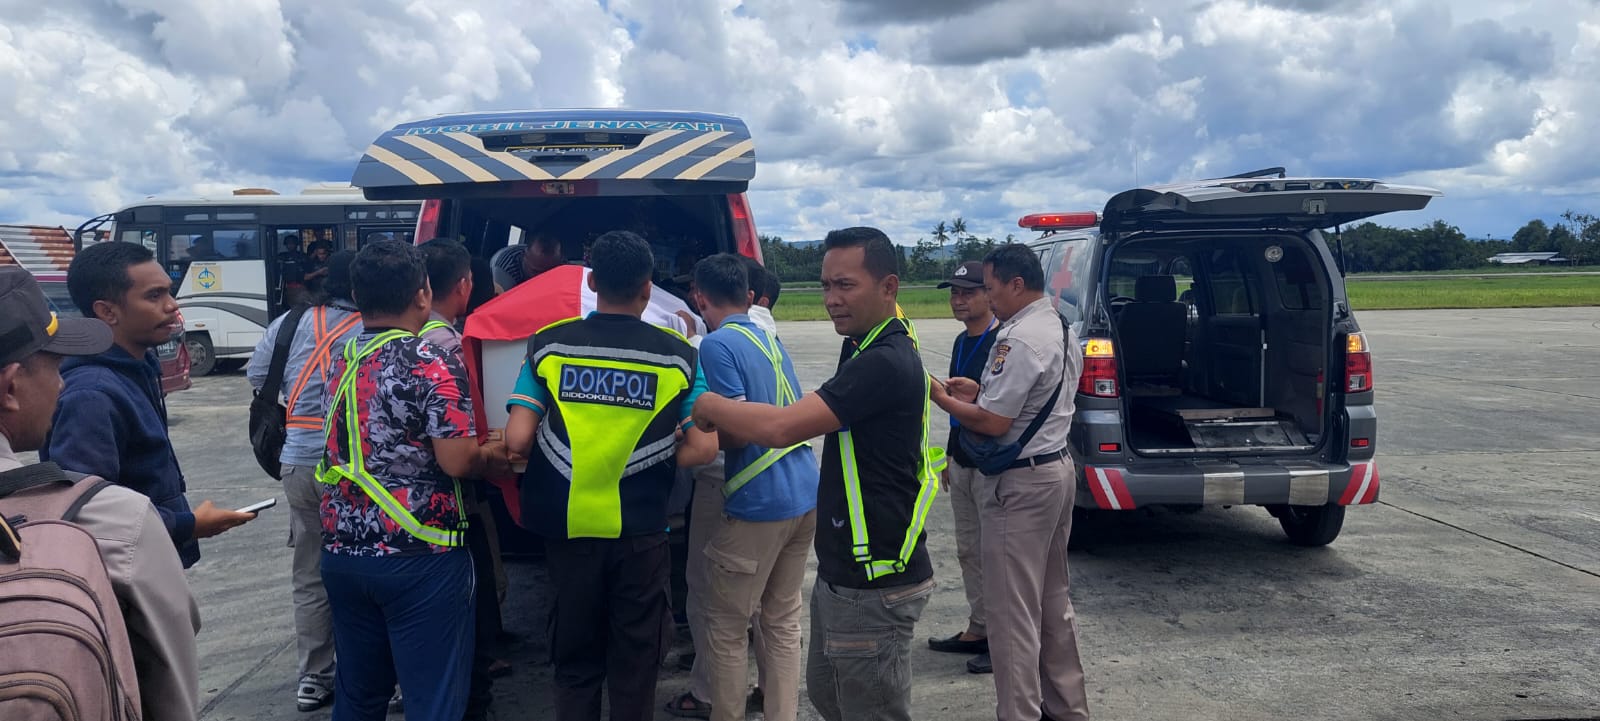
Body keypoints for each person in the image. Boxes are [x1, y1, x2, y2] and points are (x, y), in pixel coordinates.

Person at [693, 227, 941, 721]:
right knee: (831, 698)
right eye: (826, 285)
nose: (831, 299)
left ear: (889, 287)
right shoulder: (867, 343)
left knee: (868, 710)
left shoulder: (881, 361)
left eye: (845, 285)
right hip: (843, 569)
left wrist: (708, 405)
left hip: (874, 576)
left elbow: (782, 427)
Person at [503, 230, 718, 721]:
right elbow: (704, 447)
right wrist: (657, 454)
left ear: (592, 282)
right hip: (641, 531)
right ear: (648, 287)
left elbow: (516, 439)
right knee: (636, 661)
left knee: (575, 660)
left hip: (568, 530)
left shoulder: (549, 343)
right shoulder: (680, 355)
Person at [317, 240, 509, 721]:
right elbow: (458, 461)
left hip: (342, 548)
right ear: (423, 294)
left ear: (357, 296)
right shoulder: (430, 359)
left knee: (359, 697)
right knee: (434, 701)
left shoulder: (341, 356)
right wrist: (494, 453)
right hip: (420, 551)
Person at [0, 266, 203, 721]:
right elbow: (171, 695)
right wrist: (188, 524)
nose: (62, 383)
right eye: (55, 367)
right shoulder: (114, 519)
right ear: (11, 387)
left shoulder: (136, 371)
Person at [930, 244, 1089, 721]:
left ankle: (1018, 712)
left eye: (991, 287)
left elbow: (994, 423)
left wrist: (940, 397)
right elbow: (1032, 398)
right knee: (1053, 600)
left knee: (1010, 612)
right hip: (1055, 469)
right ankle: (1067, 707)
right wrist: (979, 392)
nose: (988, 297)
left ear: (1016, 285)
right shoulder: (1060, 327)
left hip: (1020, 485)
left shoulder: (1016, 338)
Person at [43, 241, 255, 568]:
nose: (172, 305)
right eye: (154, 296)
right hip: (121, 577)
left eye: (169, 292)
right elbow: (87, 510)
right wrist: (187, 525)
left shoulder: (138, 369)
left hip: (150, 564)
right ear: (107, 311)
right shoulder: (92, 395)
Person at [686, 254, 818, 721]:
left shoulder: (716, 344)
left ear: (699, 297)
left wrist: (695, 424)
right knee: (780, 620)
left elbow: (738, 432)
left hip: (760, 500)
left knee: (725, 624)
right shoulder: (767, 337)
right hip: (804, 491)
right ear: (747, 295)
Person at [245, 250, 360, 712]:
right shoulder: (372, 328)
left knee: (311, 574)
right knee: (366, 568)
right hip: (353, 468)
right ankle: (375, 672)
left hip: (296, 462)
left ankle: (314, 676)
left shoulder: (289, 323)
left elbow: (257, 375)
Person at [418, 237, 509, 721]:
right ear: (465, 285)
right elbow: (461, 444)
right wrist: (493, 452)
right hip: (448, 499)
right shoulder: (448, 344)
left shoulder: (371, 346)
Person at [927, 260, 999, 674]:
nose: (958, 300)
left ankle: (1002, 638)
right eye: (954, 293)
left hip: (993, 463)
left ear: (989, 294)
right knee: (969, 548)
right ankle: (979, 627)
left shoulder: (1002, 342)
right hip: (965, 457)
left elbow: (1000, 405)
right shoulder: (960, 341)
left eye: (968, 292)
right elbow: (959, 409)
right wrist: (951, 456)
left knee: (994, 552)